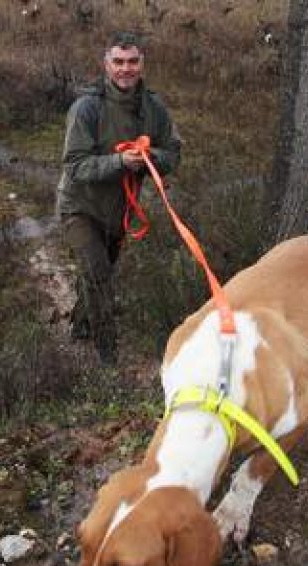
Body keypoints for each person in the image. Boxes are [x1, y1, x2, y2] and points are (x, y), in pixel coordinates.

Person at [57, 31, 182, 365]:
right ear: (106, 65)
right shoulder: (87, 108)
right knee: (98, 274)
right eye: (118, 62)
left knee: (98, 272)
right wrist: (120, 162)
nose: (125, 69)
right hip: (79, 209)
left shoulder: (154, 108)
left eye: (132, 61)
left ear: (142, 64)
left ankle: (80, 325)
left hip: (119, 213)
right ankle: (108, 357)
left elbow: (173, 153)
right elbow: (74, 165)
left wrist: (151, 157)